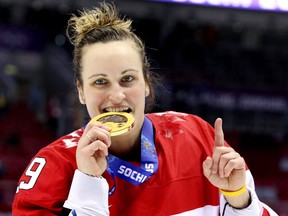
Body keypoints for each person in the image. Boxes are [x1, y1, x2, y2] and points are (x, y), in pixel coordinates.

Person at [12, 2, 278, 216]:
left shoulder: (196, 138)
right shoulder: (51, 169)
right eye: (100, 82)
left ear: (147, 84)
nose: (116, 95)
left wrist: (239, 201)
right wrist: (88, 182)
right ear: (81, 91)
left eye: (128, 79)